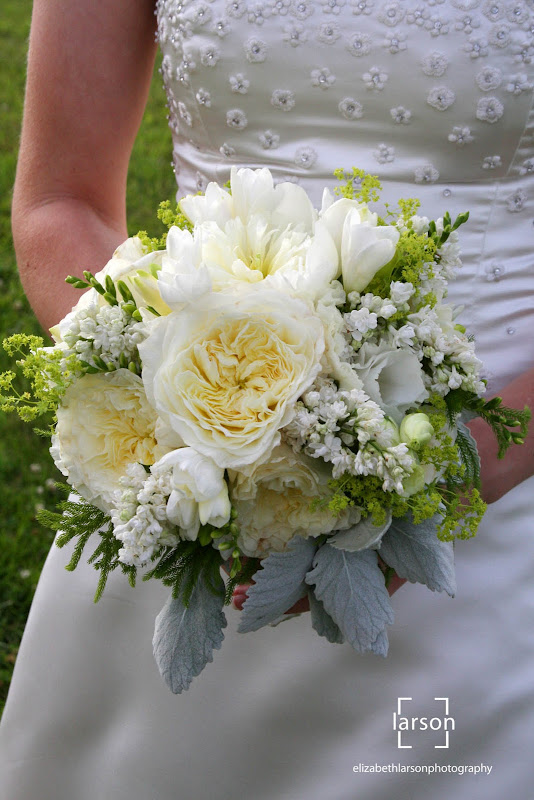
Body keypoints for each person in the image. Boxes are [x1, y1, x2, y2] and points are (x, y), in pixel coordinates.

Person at [1, 0, 533, 797]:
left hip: (494, 492)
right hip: (186, 472)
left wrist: (457, 472)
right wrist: (174, 416)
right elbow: (60, 202)